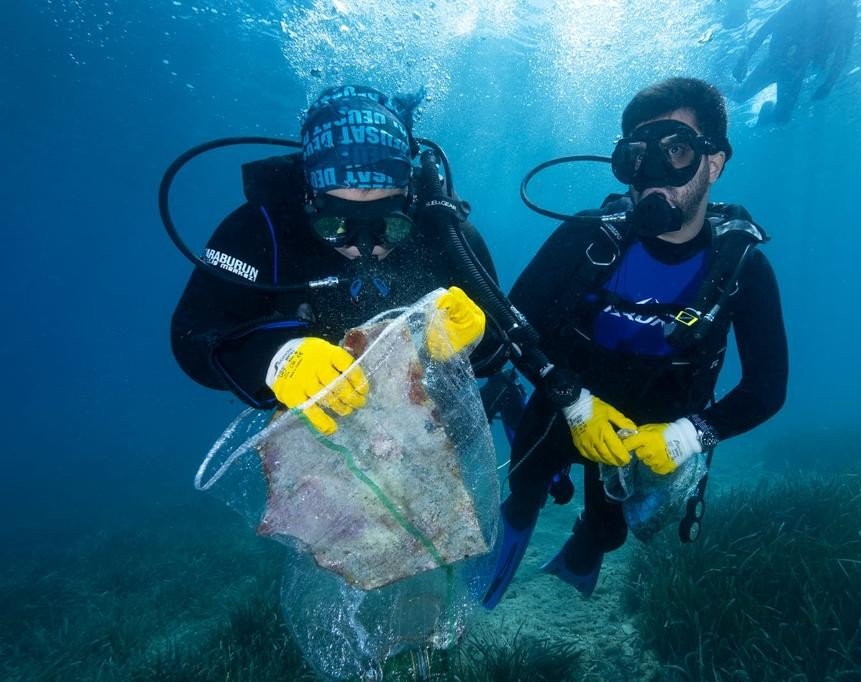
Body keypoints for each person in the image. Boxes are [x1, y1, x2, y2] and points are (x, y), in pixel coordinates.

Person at [482, 77, 788, 607]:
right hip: (565, 403)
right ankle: (509, 538)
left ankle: (583, 550)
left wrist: (691, 436)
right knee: (524, 490)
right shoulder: (586, 239)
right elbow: (511, 327)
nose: (652, 177)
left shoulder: (742, 268)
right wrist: (573, 401)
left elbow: (766, 388)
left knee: (611, 532)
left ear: (714, 163)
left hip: (658, 428)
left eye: (676, 150)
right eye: (637, 157)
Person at [171, 84, 503, 431]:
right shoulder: (259, 228)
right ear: (309, 199)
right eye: (336, 224)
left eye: (388, 225)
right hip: (320, 434)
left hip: (426, 425)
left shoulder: (443, 230)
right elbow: (192, 336)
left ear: (410, 200)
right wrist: (274, 358)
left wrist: (472, 339)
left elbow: (503, 345)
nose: (364, 246)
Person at [731, 0, 856, 126]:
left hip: (795, 71)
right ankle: (713, 88)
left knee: (782, 118)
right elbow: (766, 29)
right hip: (774, 63)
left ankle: (766, 111)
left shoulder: (847, 14)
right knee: (739, 97)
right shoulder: (800, 4)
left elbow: (844, 50)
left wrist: (830, 83)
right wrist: (743, 60)